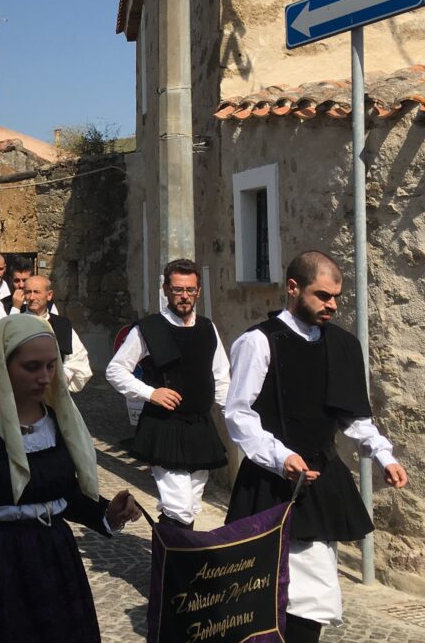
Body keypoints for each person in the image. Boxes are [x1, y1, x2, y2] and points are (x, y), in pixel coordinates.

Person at [225, 250, 408, 642]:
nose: (333, 305)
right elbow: (238, 414)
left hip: (318, 482)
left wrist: (382, 454)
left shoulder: (342, 344)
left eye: (337, 297)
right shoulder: (258, 343)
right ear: (293, 288)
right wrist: (280, 456)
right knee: (262, 591)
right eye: (323, 295)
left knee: (313, 596)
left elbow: (352, 416)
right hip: (270, 482)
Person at [0, 315, 142, 642]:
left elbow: (62, 493)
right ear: (2, 367)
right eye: (31, 367)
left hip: (53, 561)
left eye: (51, 366)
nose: (44, 377)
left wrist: (105, 512)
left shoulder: (57, 423)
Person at [105, 258, 229, 529]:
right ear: (165, 289)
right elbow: (115, 371)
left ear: (197, 291)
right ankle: (175, 568)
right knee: (179, 508)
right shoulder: (148, 329)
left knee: (191, 505)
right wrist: (150, 393)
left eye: (190, 290)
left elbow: (221, 378)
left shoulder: (208, 328)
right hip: (164, 427)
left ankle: (170, 567)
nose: (184, 296)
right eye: (177, 289)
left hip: (200, 427)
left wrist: (237, 419)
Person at [23, 275, 92, 392]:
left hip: (53, 392)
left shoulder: (62, 326)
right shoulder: (15, 321)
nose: (32, 297)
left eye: (36, 292)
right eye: (28, 292)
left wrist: (62, 377)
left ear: (49, 295)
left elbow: (78, 357)